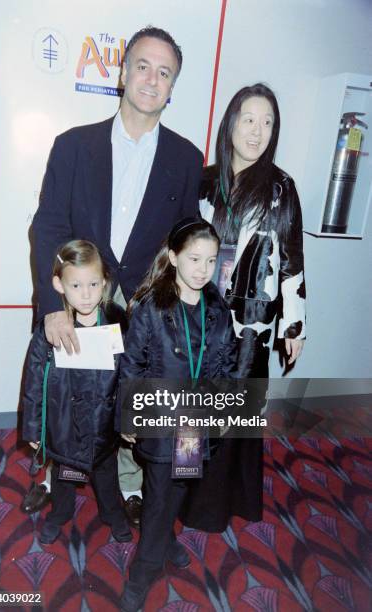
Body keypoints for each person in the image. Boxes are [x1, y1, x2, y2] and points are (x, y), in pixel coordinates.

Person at [29, 26, 203, 521]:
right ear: (122, 72)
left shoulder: (186, 158)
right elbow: (48, 228)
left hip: (143, 300)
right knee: (63, 393)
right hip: (81, 294)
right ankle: (49, 474)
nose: (152, 79)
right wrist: (49, 306)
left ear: (172, 88)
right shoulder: (72, 145)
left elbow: (183, 239)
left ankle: (129, 486)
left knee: (129, 395)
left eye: (164, 72)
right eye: (143, 66)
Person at [180, 83, 306, 530]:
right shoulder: (204, 179)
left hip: (251, 321)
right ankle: (183, 495)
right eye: (249, 119)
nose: (257, 132)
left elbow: (292, 259)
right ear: (231, 121)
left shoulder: (280, 187)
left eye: (267, 122)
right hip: (199, 311)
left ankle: (218, 504)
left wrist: (294, 326)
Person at [117, 218, 238, 612]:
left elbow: (223, 364)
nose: (202, 270)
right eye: (193, 259)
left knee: (181, 484)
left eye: (210, 260)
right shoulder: (152, 307)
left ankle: (165, 538)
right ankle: (144, 567)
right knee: (157, 495)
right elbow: (132, 365)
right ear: (173, 258)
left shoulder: (217, 309)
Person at [22, 240, 132, 545]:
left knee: (106, 474)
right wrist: (34, 426)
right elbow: (33, 380)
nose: (86, 294)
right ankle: (60, 512)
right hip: (64, 422)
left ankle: (113, 513)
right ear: (59, 284)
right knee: (64, 475)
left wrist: (129, 419)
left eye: (93, 284)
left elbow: (130, 374)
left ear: (105, 282)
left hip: (103, 422)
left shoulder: (119, 322)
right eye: (76, 285)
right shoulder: (52, 329)